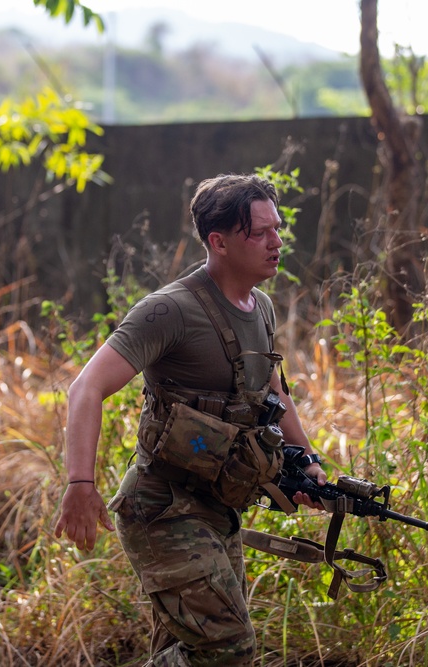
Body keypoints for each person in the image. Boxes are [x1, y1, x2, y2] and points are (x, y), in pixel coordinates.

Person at [54, 173, 326, 666]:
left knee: (187, 649)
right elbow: (85, 388)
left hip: (219, 506)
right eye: (259, 232)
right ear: (218, 242)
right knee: (227, 649)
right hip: (162, 510)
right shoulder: (169, 311)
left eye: (277, 228)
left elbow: (274, 393)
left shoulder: (260, 307)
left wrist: (306, 462)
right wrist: (80, 482)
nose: (276, 241)